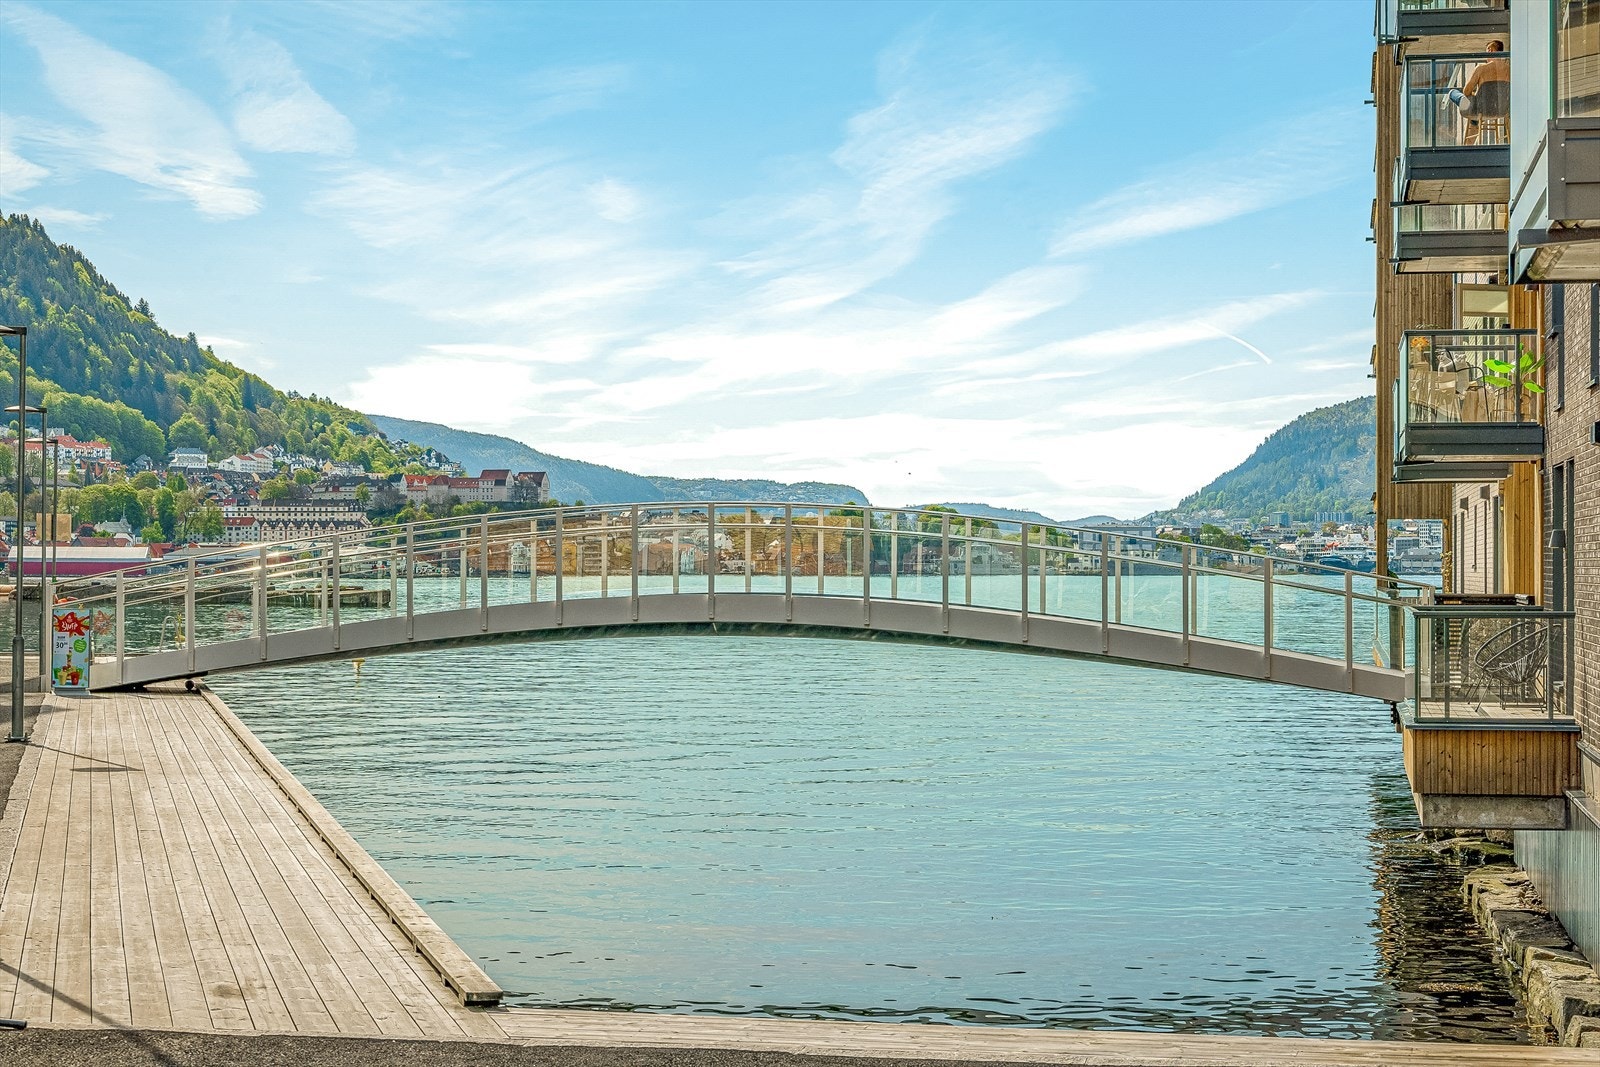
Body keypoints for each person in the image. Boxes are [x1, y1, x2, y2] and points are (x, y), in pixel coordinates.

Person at [1448, 41, 1510, 144]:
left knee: (1453, 92)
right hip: (1501, 109)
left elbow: (1466, 90)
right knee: (1475, 118)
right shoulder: (1509, 69)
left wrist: (1473, 94)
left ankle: (1463, 101)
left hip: (1482, 108)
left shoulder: (1481, 68)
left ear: (1490, 50)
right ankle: (1469, 143)